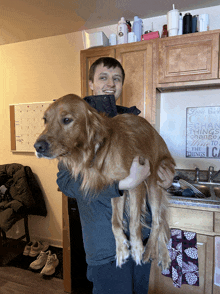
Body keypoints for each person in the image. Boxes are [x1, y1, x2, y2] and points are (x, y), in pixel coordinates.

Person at [57, 57, 174, 294]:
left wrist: (168, 174)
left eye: (116, 78)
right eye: (103, 77)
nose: (110, 83)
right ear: (91, 83)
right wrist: (120, 184)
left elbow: (162, 158)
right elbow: (66, 182)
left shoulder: (136, 123)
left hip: (141, 238)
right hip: (106, 246)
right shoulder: (73, 125)